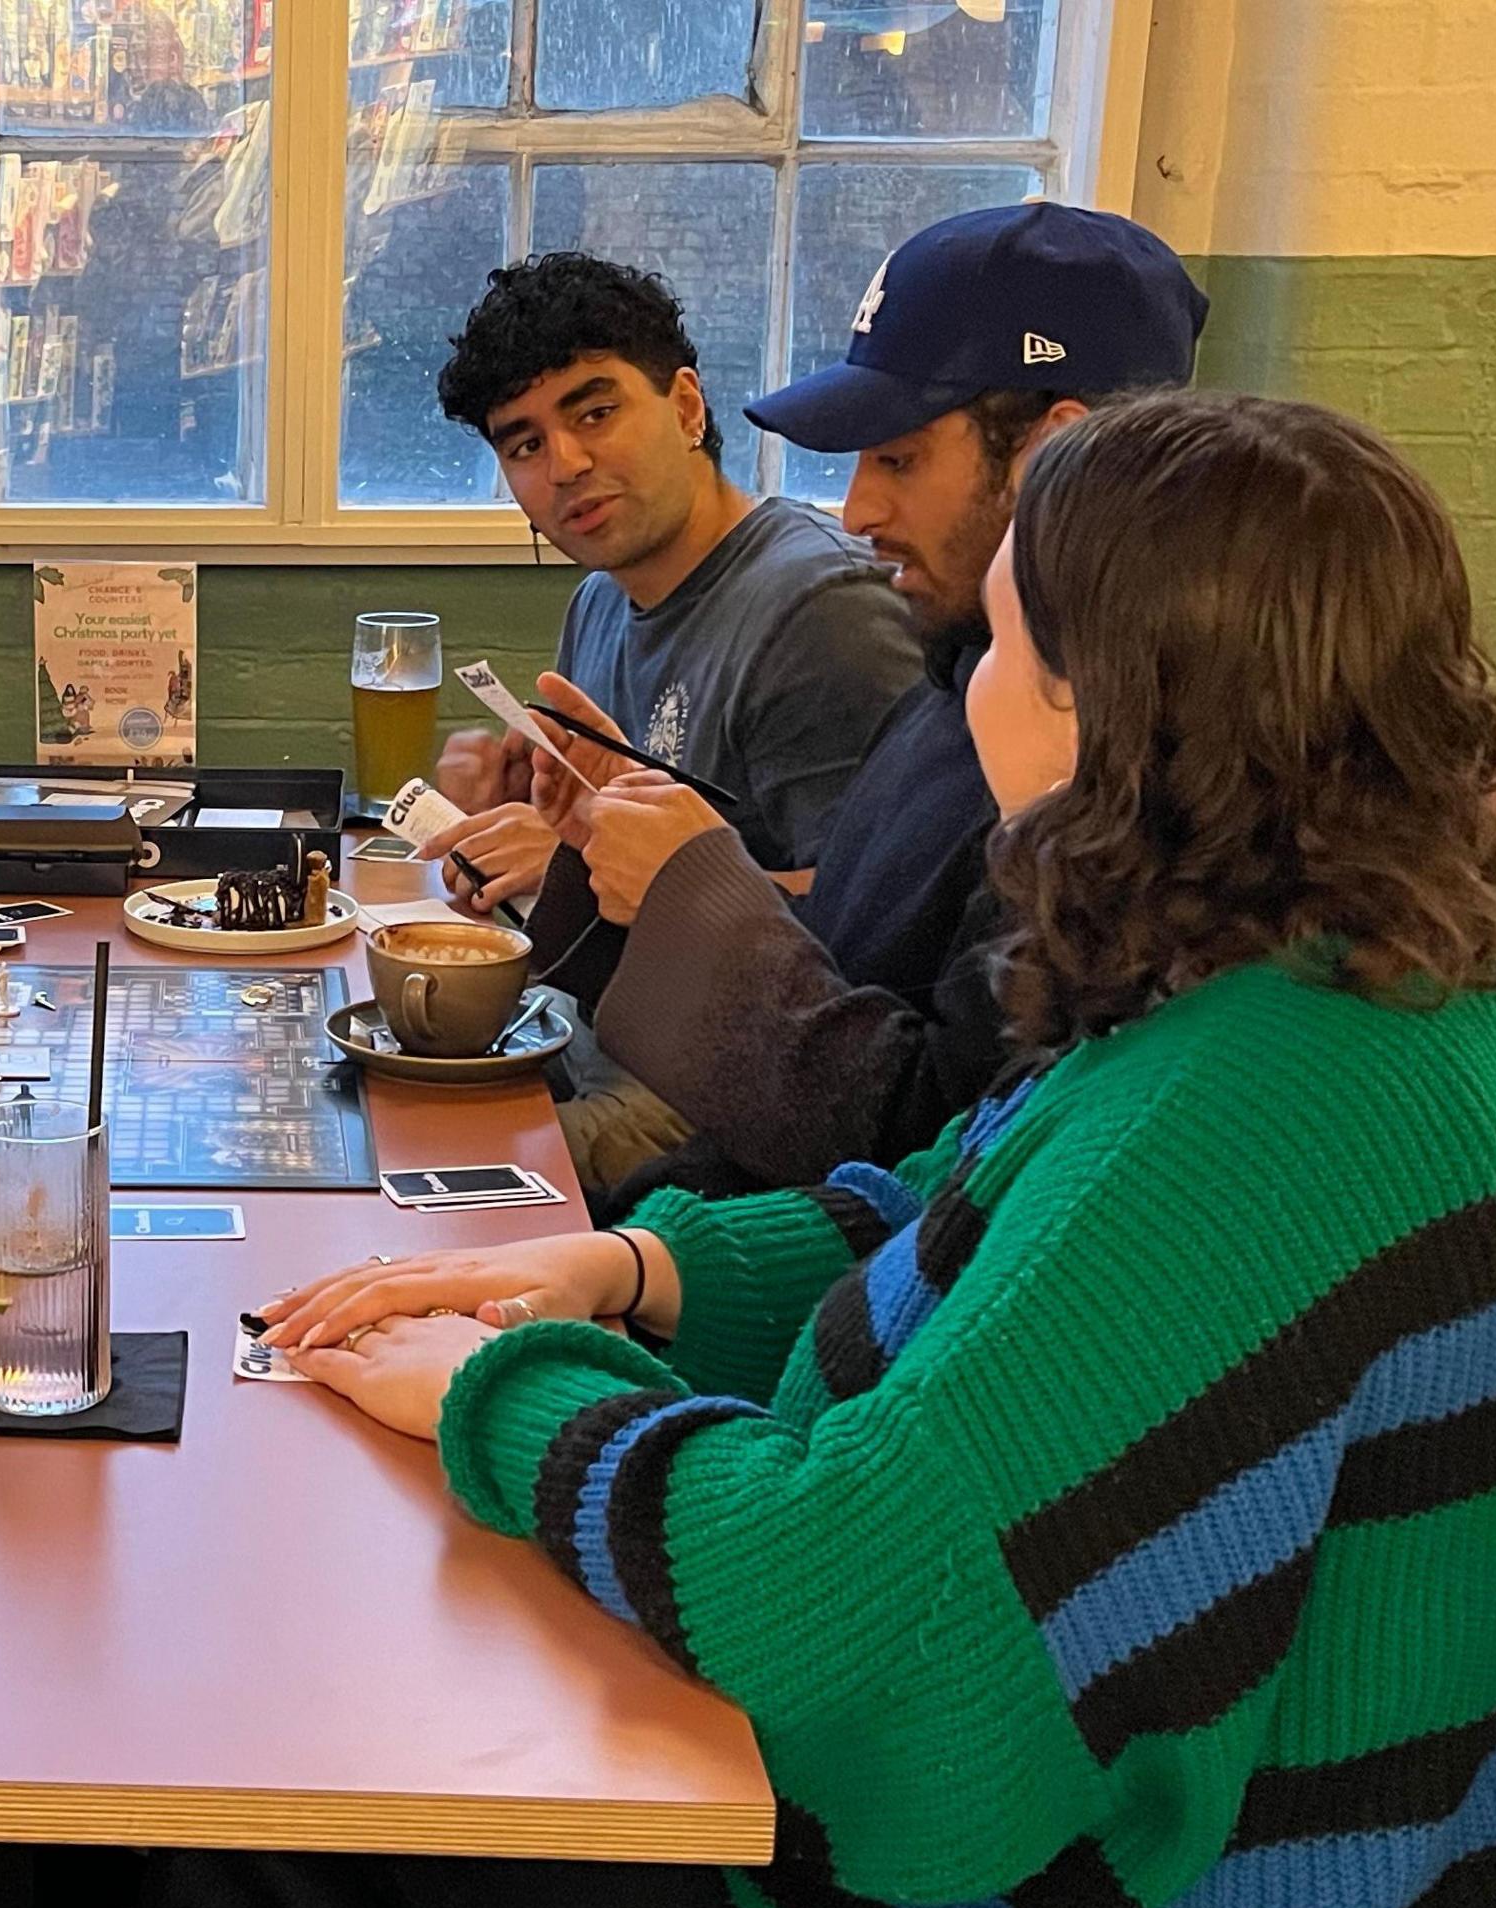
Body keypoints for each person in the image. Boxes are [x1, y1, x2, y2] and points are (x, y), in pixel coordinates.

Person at [125, 394, 1496, 1908]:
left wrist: (490, 1392)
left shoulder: (1264, 1103)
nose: (964, 683)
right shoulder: (1372, 979)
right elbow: (964, 1226)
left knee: (276, 1818)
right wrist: (629, 1271)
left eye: (1000, 644)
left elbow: (840, 1601)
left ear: (1100, 709)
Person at [513, 203, 1208, 1204]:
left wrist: (693, 887)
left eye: (899, 459)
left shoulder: (1110, 771)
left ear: (1055, 455)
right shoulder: (956, 671)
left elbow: (925, 1151)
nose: (857, 511)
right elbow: (845, 960)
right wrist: (620, 861)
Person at [409, 252, 918, 918]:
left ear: (685, 407)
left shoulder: (824, 610)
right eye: (526, 446)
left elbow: (883, 918)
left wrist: (580, 864)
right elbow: (600, 865)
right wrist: (518, 814)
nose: (566, 465)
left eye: (595, 413)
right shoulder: (600, 602)